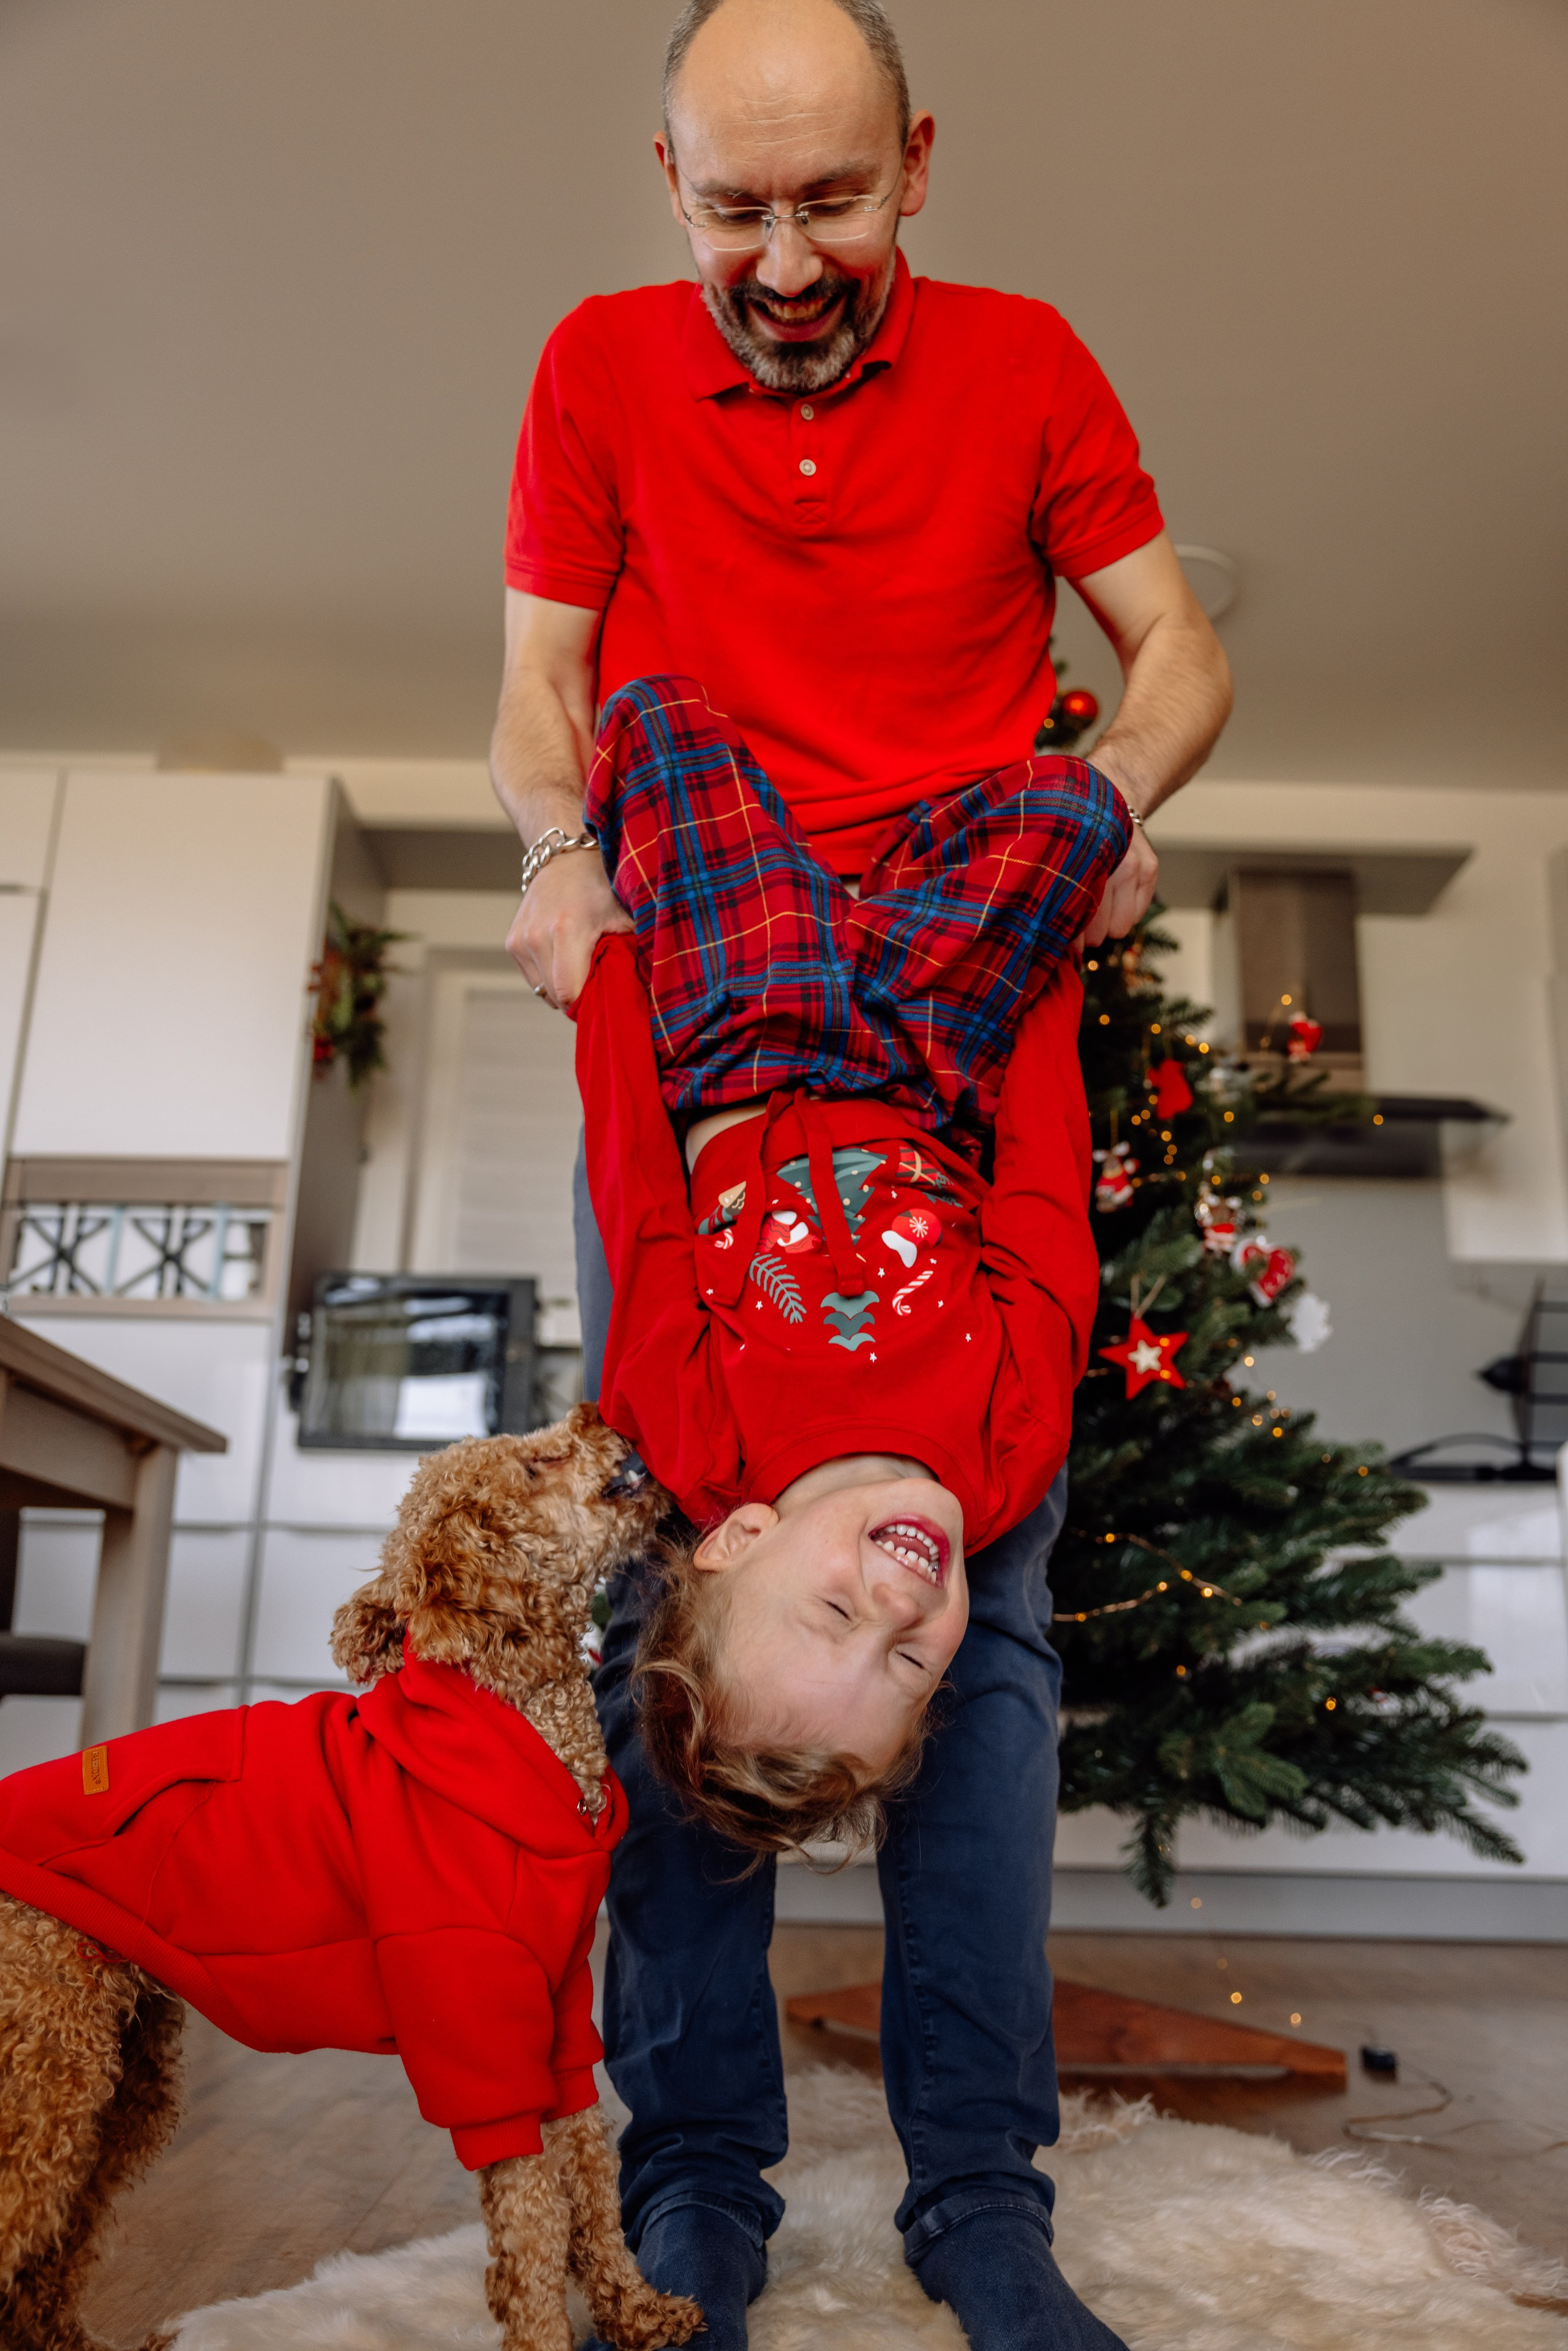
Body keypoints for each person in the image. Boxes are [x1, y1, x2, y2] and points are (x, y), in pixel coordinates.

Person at [489, 3, 1232, 2344]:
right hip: (716, 969)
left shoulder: (1030, 365)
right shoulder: (598, 369)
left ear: (920, 161)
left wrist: (1106, 810)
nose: (787, 262)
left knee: (976, 1647)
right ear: (668, 176)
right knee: (674, 1640)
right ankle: (696, 2175)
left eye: (835, 202)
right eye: (736, 210)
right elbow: (545, 682)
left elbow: (1176, 652)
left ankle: (980, 2199)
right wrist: (557, 865)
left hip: (941, 942)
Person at [570, 671, 1128, 1840]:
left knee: (653, 722)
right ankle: (895, 865)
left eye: (835, 1614)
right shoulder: (1007, 1451)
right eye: (913, 1663)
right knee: (1080, 812)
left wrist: (611, 990)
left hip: (739, 1032)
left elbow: (640, 1208)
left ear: (736, 1543)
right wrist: (1049, 979)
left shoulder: (691, 1432)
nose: (902, 1606)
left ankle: (855, 871)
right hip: (935, 1057)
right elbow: (1044, 1212)